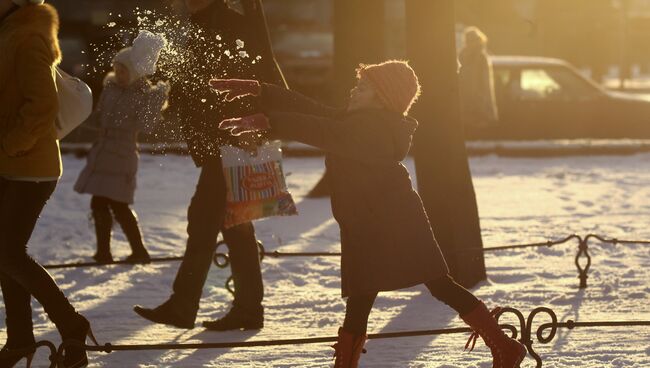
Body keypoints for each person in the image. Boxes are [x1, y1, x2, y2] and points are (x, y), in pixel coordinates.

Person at [209, 60, 526, 368]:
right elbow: (316, 112)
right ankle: (504, 346)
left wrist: (269, 121)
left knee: (437, 286)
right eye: (357, 85)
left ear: (383, 97)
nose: (353, 91)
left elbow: (321, 129)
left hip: (396, 222)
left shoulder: (372, 130)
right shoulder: (358, 121)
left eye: (363, 88)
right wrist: (263, 91)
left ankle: (503, 345)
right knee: (363, 298)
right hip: (367, 222)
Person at [134, 0, 286, 331]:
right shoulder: (215, 21)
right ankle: (245, 308)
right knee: (235, 223)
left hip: (230, 140)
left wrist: (248, 130)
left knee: (205, 218)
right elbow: (206, 80)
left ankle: (185, 305)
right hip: (230, 140)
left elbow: (235, 79)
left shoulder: (225, 22)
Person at [0, 0, 96, 367]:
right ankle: (20, 339)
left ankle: (72, 325)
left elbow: (42, 104)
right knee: (4, 255)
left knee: (8, 253)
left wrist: (11, 143)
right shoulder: (10, 33)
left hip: (30, 166)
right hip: (10, 164)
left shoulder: (27, 37)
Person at [74, 30, 169, 265]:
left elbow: (147, 125)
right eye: (117, 70)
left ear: (135, 71)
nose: (119, 74)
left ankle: (138, 250)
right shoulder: (111, 89)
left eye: (124, 70)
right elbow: (99, 117)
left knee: (119, 204)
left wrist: (157, 99)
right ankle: (103, 252)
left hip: (122, 153)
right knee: (99, 203)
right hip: (103, 152)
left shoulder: (142, 94)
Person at [458, 26, 499, 127]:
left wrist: (485, 105)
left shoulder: (481, 58)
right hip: (465, 102)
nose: (470, 43)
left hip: (478, 104)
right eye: (468, 40)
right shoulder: (462, 56)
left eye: (473, 40)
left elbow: (486, 85)